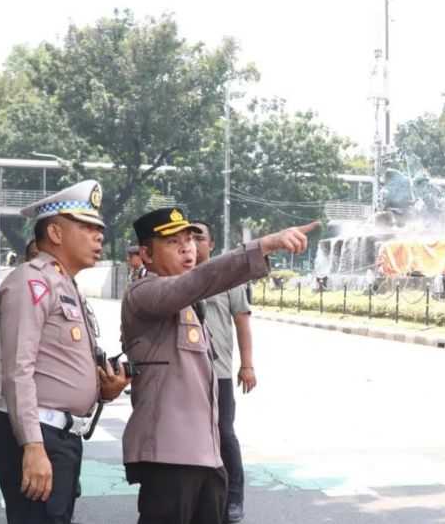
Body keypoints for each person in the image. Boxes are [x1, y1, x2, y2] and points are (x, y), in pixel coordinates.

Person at [121, 207, 316, 524]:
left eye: (190, 240)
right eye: (173, 242)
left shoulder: (189, 302)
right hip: (169, 456)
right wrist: (264, 245)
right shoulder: (144, 293)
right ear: (146, 254)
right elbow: (196, 281)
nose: (188, 248)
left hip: (206, 457)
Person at [0, 180, 131, 524]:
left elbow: (59, 365)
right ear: (55, 232)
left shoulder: (65, 284)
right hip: (36, 435)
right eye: (87, 227)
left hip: (60, 437)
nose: (99, 237)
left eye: (100, 229)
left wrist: (102, 390)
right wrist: (33, 447)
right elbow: (17, 370)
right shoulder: (31, 282)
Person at [193, 222, 253, 523]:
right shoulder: (179, 277)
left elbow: (242, 322)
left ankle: (234, 496)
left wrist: (247, 364)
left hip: (220, 372)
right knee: (192, 434)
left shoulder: (228, 278)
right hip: (188, 375)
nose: (193, 243)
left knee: (224, 433)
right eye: (188, 238)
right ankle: (201, 496)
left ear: (212, 244)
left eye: (199, 237)